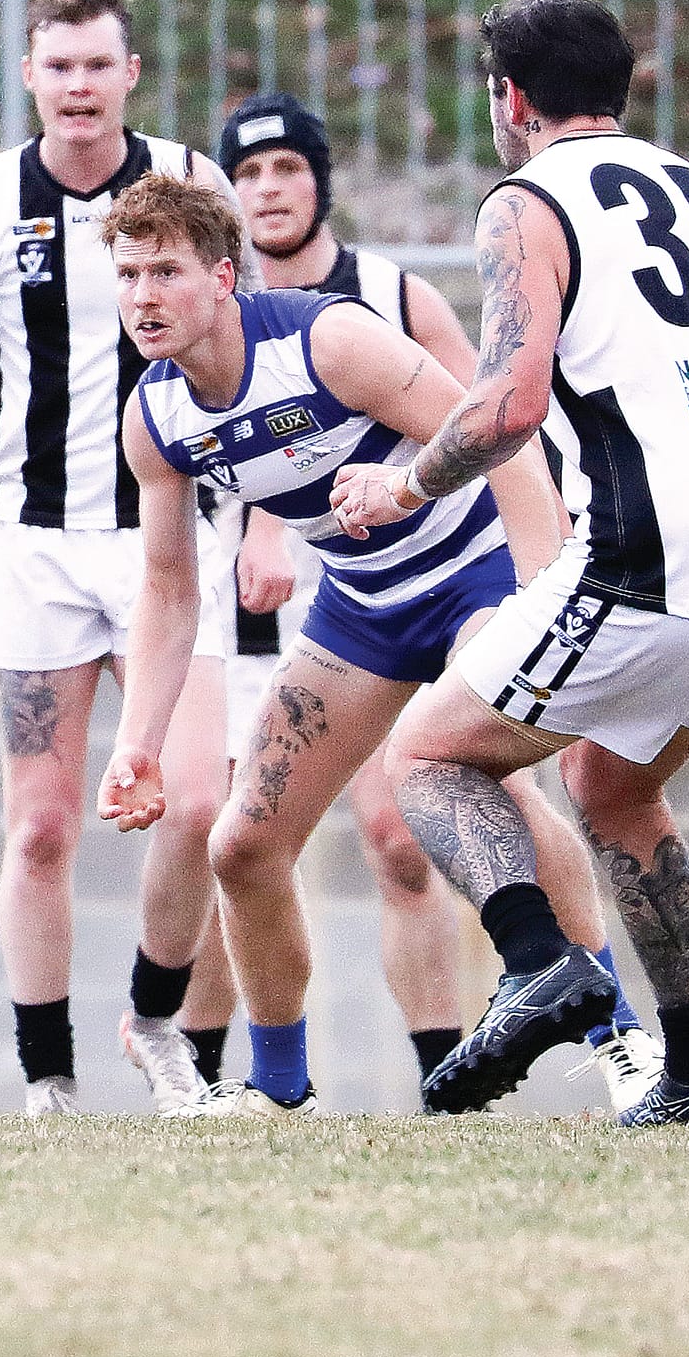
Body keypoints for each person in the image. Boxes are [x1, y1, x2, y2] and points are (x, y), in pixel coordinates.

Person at [331, 0, 689, 1122]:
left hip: (649, 553)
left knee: (426, 761)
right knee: (611, 790)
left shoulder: (524, 204)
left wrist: (401, 483)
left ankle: (537, 960)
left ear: (511, 99)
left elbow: (507, 406)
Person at [175, 93, 660, 1113]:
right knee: (245, 840)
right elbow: (195, 535)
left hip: (468, 573)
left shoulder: (377, 305)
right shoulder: (179, 365)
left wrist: (538, 587)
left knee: (454, 805)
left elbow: (492, 426)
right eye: (247, 174)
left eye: (286, 169)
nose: (268, 189)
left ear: (318, 182)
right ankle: (296, 1090)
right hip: (349, 598)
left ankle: (616, 1040)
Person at [0, 0, 245, 1117]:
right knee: (38, 830)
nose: (76, 87)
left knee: (195, 807)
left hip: (171, 541)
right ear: (30, 78)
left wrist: (262, 519)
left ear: (128, 75)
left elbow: (256, 346)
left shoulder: (188, 186)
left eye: (95, 66)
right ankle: (46, 1082)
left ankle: (158, 1027)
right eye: (56, 67)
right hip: (35, 547)